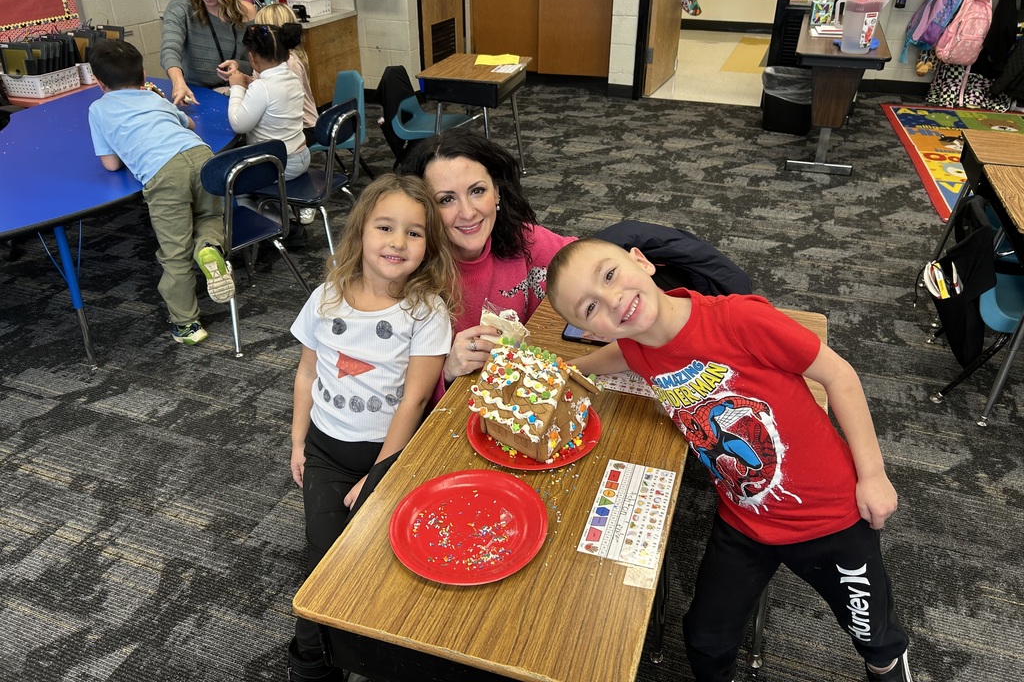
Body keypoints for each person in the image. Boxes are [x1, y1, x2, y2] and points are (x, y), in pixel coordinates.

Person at [545, 238, 912, 682]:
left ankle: (887, 667)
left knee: (874, 635)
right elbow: (621, 356)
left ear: (641, 261)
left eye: (609, 275)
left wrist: (872, 474)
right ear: (593, 329)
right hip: (745, 518)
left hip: (830, 516)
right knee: (704, 639)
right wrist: (570, 368)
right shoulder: (635, 345)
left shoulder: (739, 319)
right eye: (589, 308)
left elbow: (839, 375)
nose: (613, 299)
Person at [287, 173, 458, 682]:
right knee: (323, 556)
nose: (397, 242)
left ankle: (369, 645)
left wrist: (380, 473)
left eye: (414, 232)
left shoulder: (425, 311)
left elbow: (415, 400)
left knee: (381, 557)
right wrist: (298, 441)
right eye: (386, 227)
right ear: (361, 231)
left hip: (392, 453)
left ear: (428, 247)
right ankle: (313, 661)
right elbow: (306, 373)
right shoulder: (325, 297)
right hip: (325, 449)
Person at [86, 39, 235, 345]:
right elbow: (190, 124)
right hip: (201, 155)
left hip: (164, 173)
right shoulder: (154, 97)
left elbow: (111, 164)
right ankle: (208, 247)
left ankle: (187, 325)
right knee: (210, 214)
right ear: (144, 75)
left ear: (99, 82)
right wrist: (160, 103)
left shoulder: (98, 109)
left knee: (175, 252)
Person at [401, 129, 575, 389]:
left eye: (477, 191)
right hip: (447, 415)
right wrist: (446, 371)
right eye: (446, 199)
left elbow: (588, 261)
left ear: (497, 192)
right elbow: (384, 388)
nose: (468, 212)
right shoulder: (407, 272)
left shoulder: (522, 239)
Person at [160, 0, 256, 106]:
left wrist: (239, 66)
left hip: (238, 94)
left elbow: (257, 63)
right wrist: (178, 82)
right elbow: (170, 49)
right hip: (196, 95)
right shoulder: (180, 10)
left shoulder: (246, 12)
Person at [226, 23, 310, 182]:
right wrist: (250, 82)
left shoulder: (262, 87)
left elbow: (239, 124)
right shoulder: (292, 78)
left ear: (251, 57)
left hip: (279, 164)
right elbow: (275, 96)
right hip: (301, 156)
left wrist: (237, 87)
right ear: (287, 55)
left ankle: (255, 205)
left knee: (229, 179)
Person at [253, 3, 317, 148]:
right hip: (290, 124)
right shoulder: (271, 60)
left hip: (303, 127)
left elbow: (285, 104)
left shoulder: (290, 64)